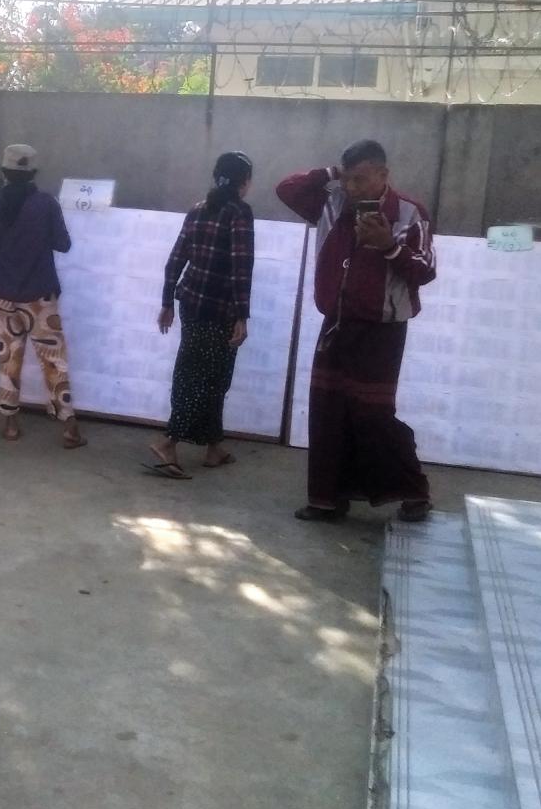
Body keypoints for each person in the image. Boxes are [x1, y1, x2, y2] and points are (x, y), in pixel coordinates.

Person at [276, 139, 436, 523]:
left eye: (361, 180)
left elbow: (426, 271)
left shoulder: (409, 213)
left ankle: (414, 493)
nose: (352, 188)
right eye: (347, 179)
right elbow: (286, 189)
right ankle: (327, 501)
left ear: (383, 175)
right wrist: (331, 173)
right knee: (327, 412)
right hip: (335, 324)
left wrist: (388, 246)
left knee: (374, 415)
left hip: (383, 331)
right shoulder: (332, 205)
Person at [146, 151, 255, 479]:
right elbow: (241, 268)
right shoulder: (239, 213)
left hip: (191, 304)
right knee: (205, 380)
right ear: (244, 182)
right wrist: (242, 316)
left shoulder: (198, 209)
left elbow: (175, 259)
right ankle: (168, 443)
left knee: (207, 375)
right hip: (220, 311)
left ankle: (213, 447)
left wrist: (167, 302)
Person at [0, 143, 87, 448]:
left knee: (8, 359)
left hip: (2, 294)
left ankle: (10, 425)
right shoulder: (46, 204)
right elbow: (64, 244)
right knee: (54, 360)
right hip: (41, 297)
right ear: (33, 173)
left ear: (4, 172)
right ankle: (69, 427)